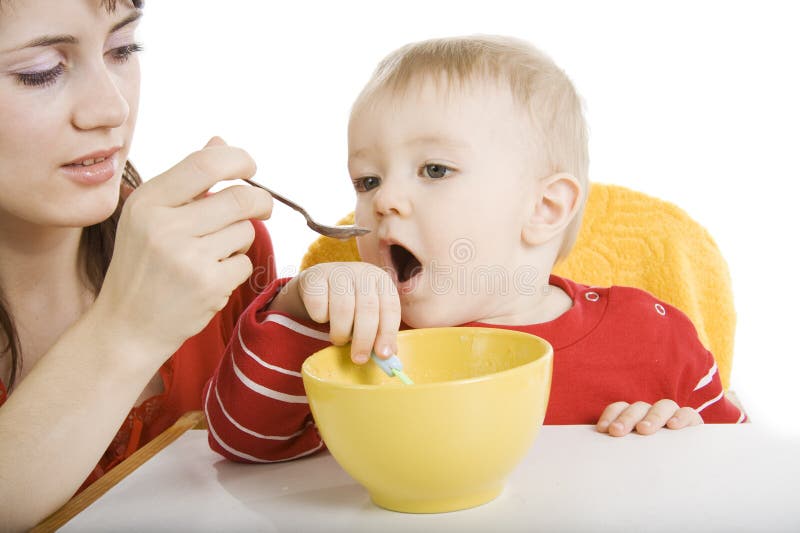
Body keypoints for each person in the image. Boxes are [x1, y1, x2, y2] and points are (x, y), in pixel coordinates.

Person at [203, 35, 745, 464]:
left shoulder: (655, 336)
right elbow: (243, 444)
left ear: (544, 209)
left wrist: (682, 437)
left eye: (434, 170)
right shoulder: (357, 337)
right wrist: (298, 304)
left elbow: (741, 469)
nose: (383, 200)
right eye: (366, 180)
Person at [0, 0, 275, 528]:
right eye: (41, 73)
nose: (112, 109)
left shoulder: (220, 254)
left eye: (122, 48)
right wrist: (128, 328)